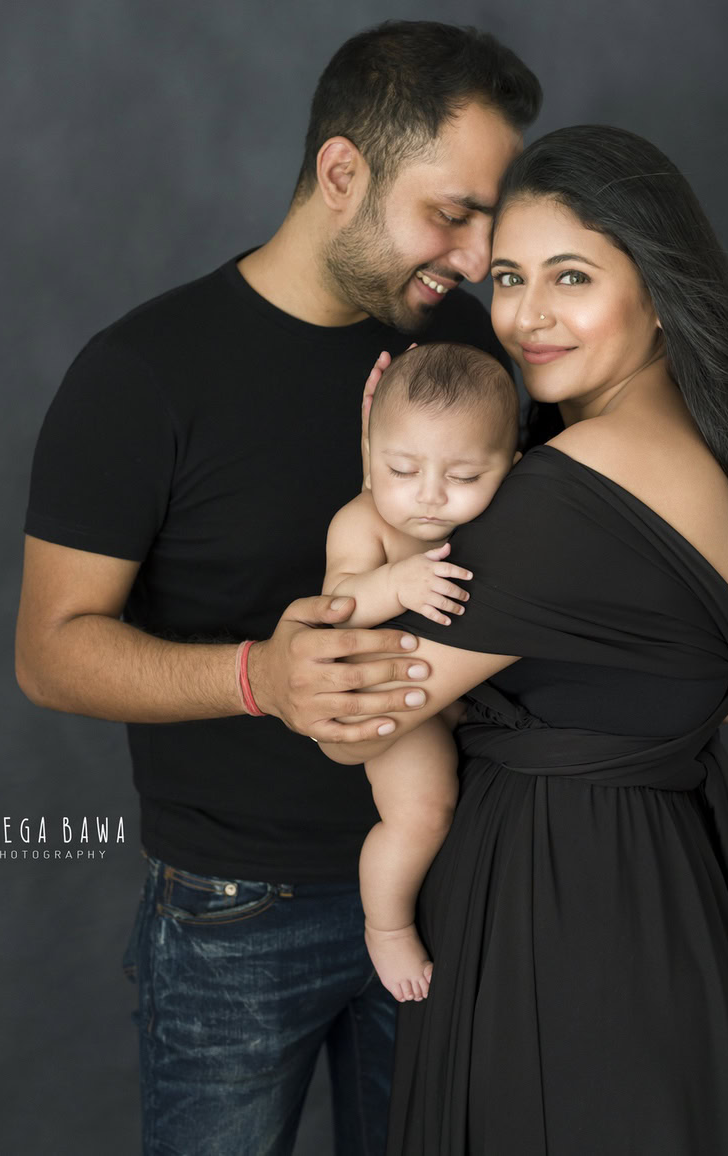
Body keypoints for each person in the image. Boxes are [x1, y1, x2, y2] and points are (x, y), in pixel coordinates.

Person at [14, 20, 543, 1155]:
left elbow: (593, 516)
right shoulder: (142, 372)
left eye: (489, 219)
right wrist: (263, 677)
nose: (471, 254)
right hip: (233, 916)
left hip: (456, 880)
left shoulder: (473, 357)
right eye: (451, 211)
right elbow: (50, 649)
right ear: (342, 172)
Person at [322, 124, 728, 1154]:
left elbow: (349, 722)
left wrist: (373, 499)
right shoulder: (683, 458)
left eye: (570, 276)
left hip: (566, 925)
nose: (526, 317)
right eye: (506, 278)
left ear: (659, 289)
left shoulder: (570, 494)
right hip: (651, 902)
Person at [323, 342, 519, 1002]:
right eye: (402, 468)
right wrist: (395, 583)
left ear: (510, 470)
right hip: (390, 697)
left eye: (465, 477)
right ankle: (386, 925)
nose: (429, 496)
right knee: (422, 813)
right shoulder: (362, 521)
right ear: (370, 461)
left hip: (461, 694)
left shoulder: (502, 520)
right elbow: (339, 606)